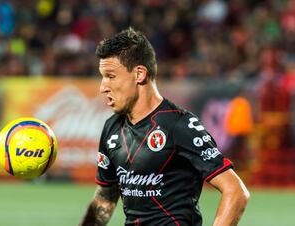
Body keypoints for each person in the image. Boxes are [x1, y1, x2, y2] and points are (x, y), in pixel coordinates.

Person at [80, 27, 250, 226]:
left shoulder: (179, 124)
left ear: (139, 74)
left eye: (110, 76)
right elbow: (106, 196)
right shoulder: (112, 128)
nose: (103, 87)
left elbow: (236, 191)